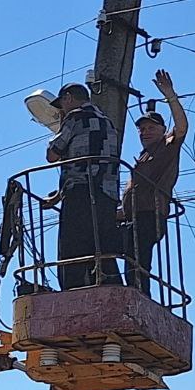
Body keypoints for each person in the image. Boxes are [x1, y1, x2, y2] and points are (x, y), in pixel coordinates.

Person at [45, 82, 123, 290]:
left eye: (61, 103)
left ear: (68, 98)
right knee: (102, 247)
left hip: (80, 193)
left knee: (72, 248)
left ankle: (72, 292)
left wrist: (60, 127)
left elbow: (52, 155)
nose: (61, 108)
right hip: (107, 194)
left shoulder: (75, 117)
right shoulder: (108, 122)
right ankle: (112, 286)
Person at [121, 69, 189, 296]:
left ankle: (139, 298)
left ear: (162, 131)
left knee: (138, 262)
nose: (145, 132)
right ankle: (125, 292)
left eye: (151, 128)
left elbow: (181, 127)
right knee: (121, 255)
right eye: (141, 129)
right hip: (133, 217)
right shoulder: (142, 157)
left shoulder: (167, 147)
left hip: (151, 215)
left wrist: (169, 94)